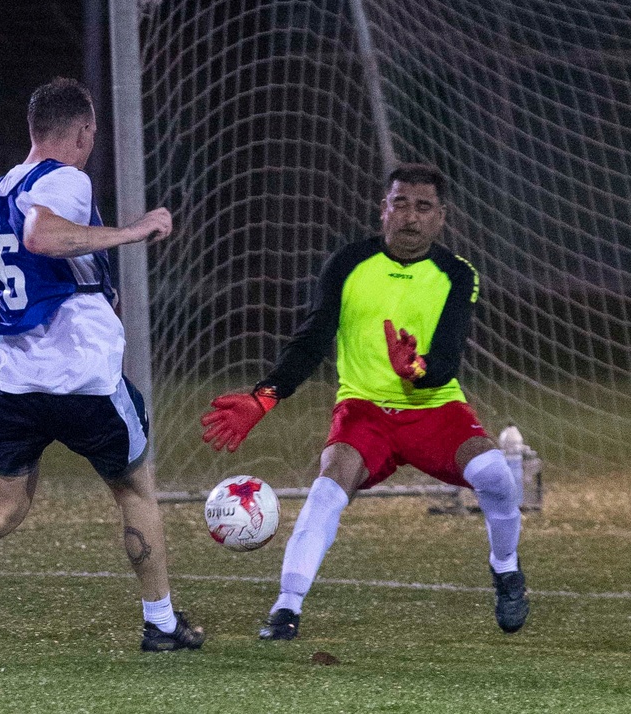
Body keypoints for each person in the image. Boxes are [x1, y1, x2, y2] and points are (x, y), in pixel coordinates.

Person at [0, 77, 204, 658]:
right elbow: (43, 235)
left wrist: (34, 296)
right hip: (86, 382)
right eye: (90, 134)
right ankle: (161, 623)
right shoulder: (67, 179)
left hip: (16, 384)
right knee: (134, 490)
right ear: (82, 131)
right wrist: (133, 231)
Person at [201, 162, 528, 640]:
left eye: (423, 207)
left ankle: (505, 567)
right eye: (400, 204)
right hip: (364, 411)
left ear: (441, 217)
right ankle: (286, 610)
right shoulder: (348, 264)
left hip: (434, 408)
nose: (411, 217)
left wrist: (415, 368)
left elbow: (446, 362)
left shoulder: (457, 275)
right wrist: (265, 397)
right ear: (383, 210)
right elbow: (312, 339)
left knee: (498, 478)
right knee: (326, 490)